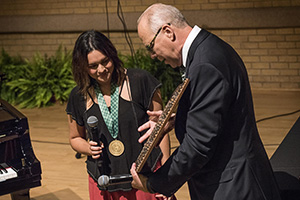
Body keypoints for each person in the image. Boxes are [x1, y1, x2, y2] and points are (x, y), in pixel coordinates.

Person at [130, 3, 282, 200]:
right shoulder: (209, 48)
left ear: (167, 31)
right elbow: (219, 115)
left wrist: (153, 183)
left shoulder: (204, 64)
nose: (153, 56)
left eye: (150, 46)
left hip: (232, 187)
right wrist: (178, 119)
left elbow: (198, 146)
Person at [66, 30, 172, 200]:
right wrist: (88, 148)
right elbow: (74, 138)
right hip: (103, 180)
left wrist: (167, 177)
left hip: (145, 177)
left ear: (112, 55)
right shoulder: (77, 96)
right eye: (93, 66)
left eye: (105, 61)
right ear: (82, 67)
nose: (101, 70)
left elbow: (161, 131)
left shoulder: (141, 80)